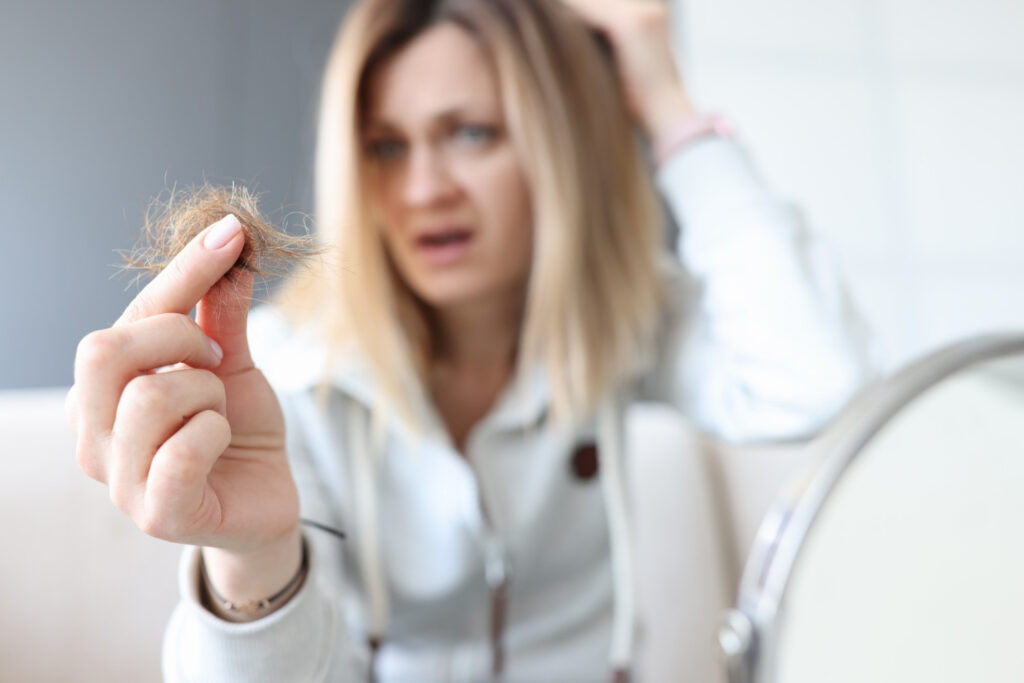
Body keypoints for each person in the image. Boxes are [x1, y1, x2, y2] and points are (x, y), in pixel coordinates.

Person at [67, 0, 871, 680]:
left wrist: (665, 99)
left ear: (558, 144)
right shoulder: (281, 373)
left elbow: (818, 377)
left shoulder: (625, 320)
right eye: (387, 146)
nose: (424, 190)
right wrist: (251, 558)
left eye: (472, 134)